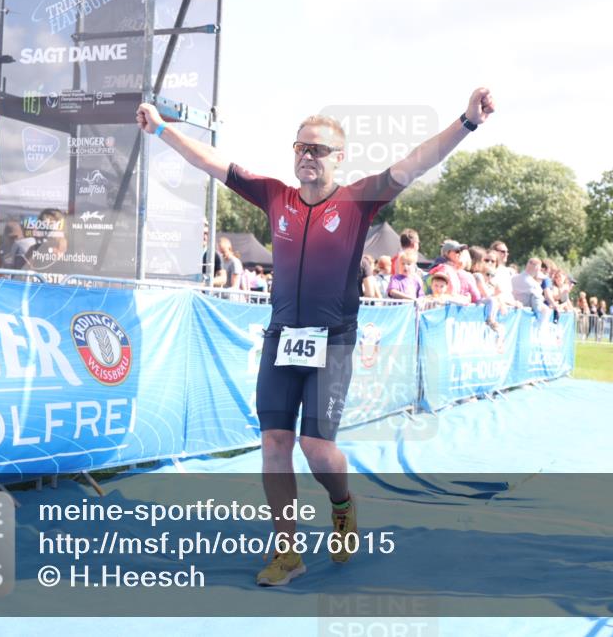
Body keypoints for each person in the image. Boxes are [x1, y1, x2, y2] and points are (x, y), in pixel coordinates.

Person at [138, 87, 495, 586]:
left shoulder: (358, 200)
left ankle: (342, 502)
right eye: (301, 147)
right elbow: (214, 163)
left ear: (338, 158)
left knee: (317, 448)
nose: (307, 156)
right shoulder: (275, 196)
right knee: (274, 442)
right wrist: (161, 129)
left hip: (334, 341)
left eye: (318, 149)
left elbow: (414, 163)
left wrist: (467, 121)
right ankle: (287, 550)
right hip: (281, 337)